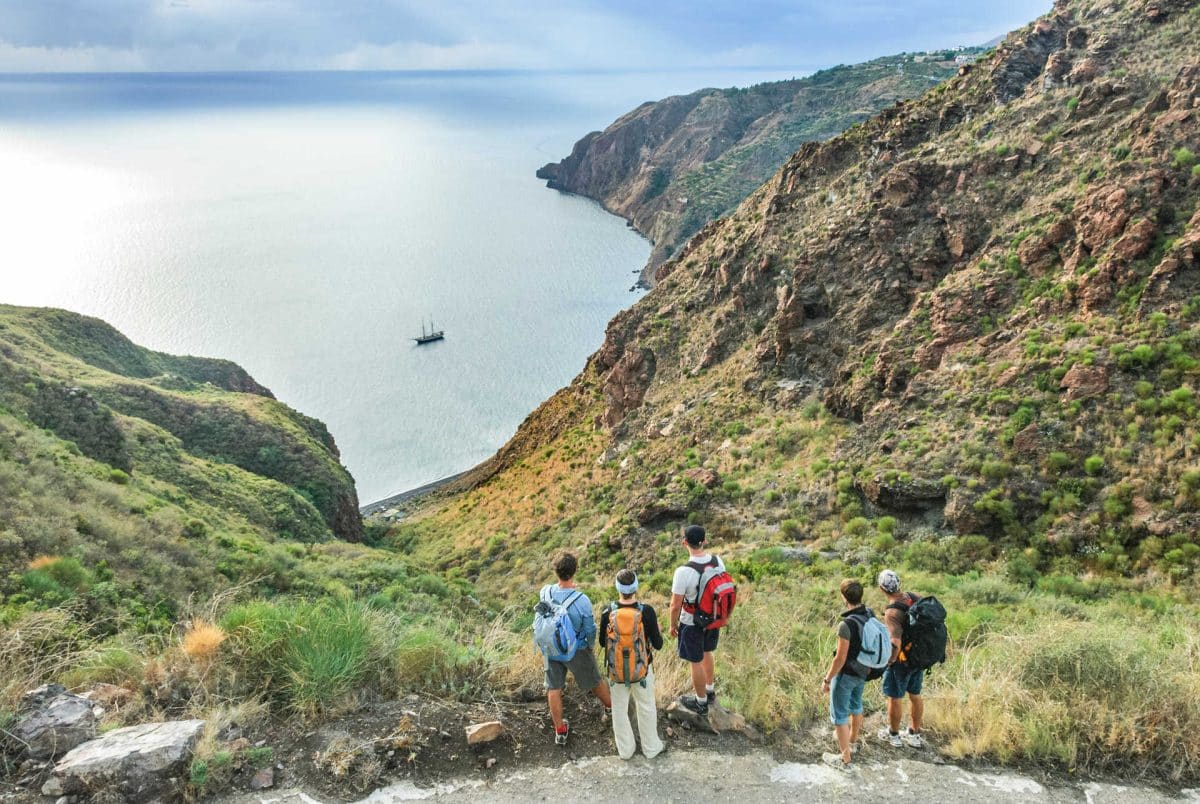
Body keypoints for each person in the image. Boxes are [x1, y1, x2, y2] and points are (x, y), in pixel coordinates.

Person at [541, 552, 612, 746]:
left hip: (551, 647)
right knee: (595, 681)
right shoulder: (581, 600)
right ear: (574, 572)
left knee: (553, 687)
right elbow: (589, 629)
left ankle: (560, 730)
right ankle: (610, 708)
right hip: (577, 649)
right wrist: (589, 646)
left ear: (556, 572)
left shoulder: (545, 592)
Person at [598, 569, 665, 760]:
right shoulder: (647, 611)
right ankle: (651, 748)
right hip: (642, 670)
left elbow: (603, 643)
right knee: (646, 706)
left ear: (617, 588)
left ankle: (626, 751)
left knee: (619, 710)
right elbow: (658, 645)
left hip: (616, 671)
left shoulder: (608, 612)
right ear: (635, 587)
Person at [669, 524, 724, 716]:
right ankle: (709, 691)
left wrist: (672, 625)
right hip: (713, 618)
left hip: (692, 621)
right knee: (707, 652)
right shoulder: (718, 561)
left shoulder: (683, 572)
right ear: (705, 541)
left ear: (685, 542)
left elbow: (675, 605)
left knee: (695, 660)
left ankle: (700, 703)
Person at [821, 579, 871, 769]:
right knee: (856, 705)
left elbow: (839, 659)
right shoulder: (868, 615)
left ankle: (845, 760)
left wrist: (827, 680)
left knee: (840, 715)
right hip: (863, 671)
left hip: (847, 674)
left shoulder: (846, 625)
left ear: (844, 597)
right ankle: (853, 741)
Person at [876, 568, 926, 749]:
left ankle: (894, 735)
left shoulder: (892, 613)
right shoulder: (915, 597)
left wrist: (889, 662)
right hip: (919, 657)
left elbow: (895, 643)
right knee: (915, 694)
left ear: (882, 589)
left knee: (895, 697)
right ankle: (914, 733)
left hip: (902, 660)